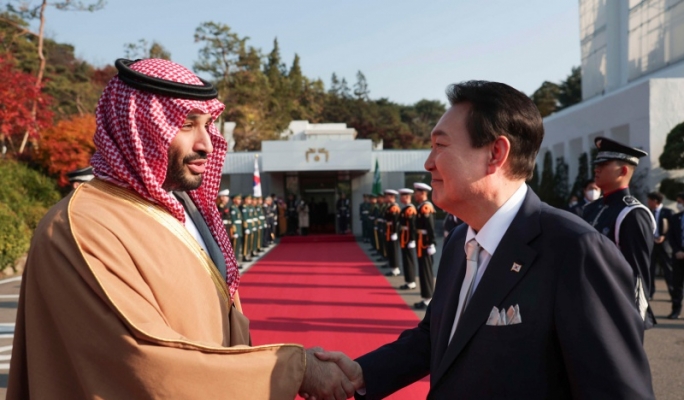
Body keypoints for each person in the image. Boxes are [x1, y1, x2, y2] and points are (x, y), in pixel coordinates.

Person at [8, 59, 355, 400]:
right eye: (187, 124)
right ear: (138, 127)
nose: (207, 144)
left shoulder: (186, 207)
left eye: (208, 124)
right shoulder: (81, 226)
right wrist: (292, 370)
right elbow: (142, 361)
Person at [316, 80, 653, 399]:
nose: (429, 163)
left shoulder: (574, 250)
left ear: (495, 153)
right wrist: (361, 373)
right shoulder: (459, 241)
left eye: (440, 146)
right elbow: (438, 337)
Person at [582, 137, 657, 328]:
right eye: (597, 164)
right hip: (587, 305)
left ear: (623, 171)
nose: (596, 169)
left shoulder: (633, 214)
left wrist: (634, 324)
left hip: (613, 312)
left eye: (604, 164)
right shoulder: (591, 209)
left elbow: (638, 276)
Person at [413, 182, 437, 310]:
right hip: (420, 241)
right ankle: (425, 297)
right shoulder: (421, 206)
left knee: (426, 270)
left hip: (425, 243)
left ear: (422, 193)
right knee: (422, 269)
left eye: (416, 192)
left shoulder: (426, 207)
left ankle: (428, 299)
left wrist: (432, 243)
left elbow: (430, 227)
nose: (415, 195)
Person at [647, 191, 674, 300]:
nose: (648, 202)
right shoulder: (648, 212)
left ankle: (673, 294)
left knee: (668, 270)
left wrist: (664, 236)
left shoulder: (668, 212)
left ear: (655, 201)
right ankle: (650, 293)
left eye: (649, 200)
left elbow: (673, 229)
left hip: (664, 246)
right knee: (650, 269)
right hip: (652, 245)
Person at [667, 192, 684, 319]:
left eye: (680, 202)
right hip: (678, 257)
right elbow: (671, 236)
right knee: (677, 285)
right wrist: (677, 251)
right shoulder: (675, 218)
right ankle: (675, 310)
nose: (678, 204)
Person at [397, 188, 418, 290]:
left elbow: (413, 226)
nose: (400, 198)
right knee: (405, 259)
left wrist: (412, 239)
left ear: (407, 197)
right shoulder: (405, 208)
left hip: (408, 238)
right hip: (404, 237)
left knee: (409, 260)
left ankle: (411, 281)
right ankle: (408, 280)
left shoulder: (410, 209)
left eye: (402, 196)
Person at [382, 189, 402, 277]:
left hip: (392, 231)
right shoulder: (390, 207)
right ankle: (392, 267)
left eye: (387, 196)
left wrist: (395, 232)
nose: (385, 198)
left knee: (394, 250)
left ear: (392, 197)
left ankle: (395, 268)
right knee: (390, 249)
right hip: (389, 231)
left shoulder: (395, 208)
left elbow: (396, 222)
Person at [229, 194, 244, 268]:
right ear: (234, 200)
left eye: (240, 199)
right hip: (236, 231)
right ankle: (234, 262)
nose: (239, 201)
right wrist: (234, 231)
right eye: (238, 199)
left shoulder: (237, 208)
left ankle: (237, 261)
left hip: (239, 230)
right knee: (234, 248)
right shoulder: (233, 208)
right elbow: (233, 221)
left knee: (238, 247)